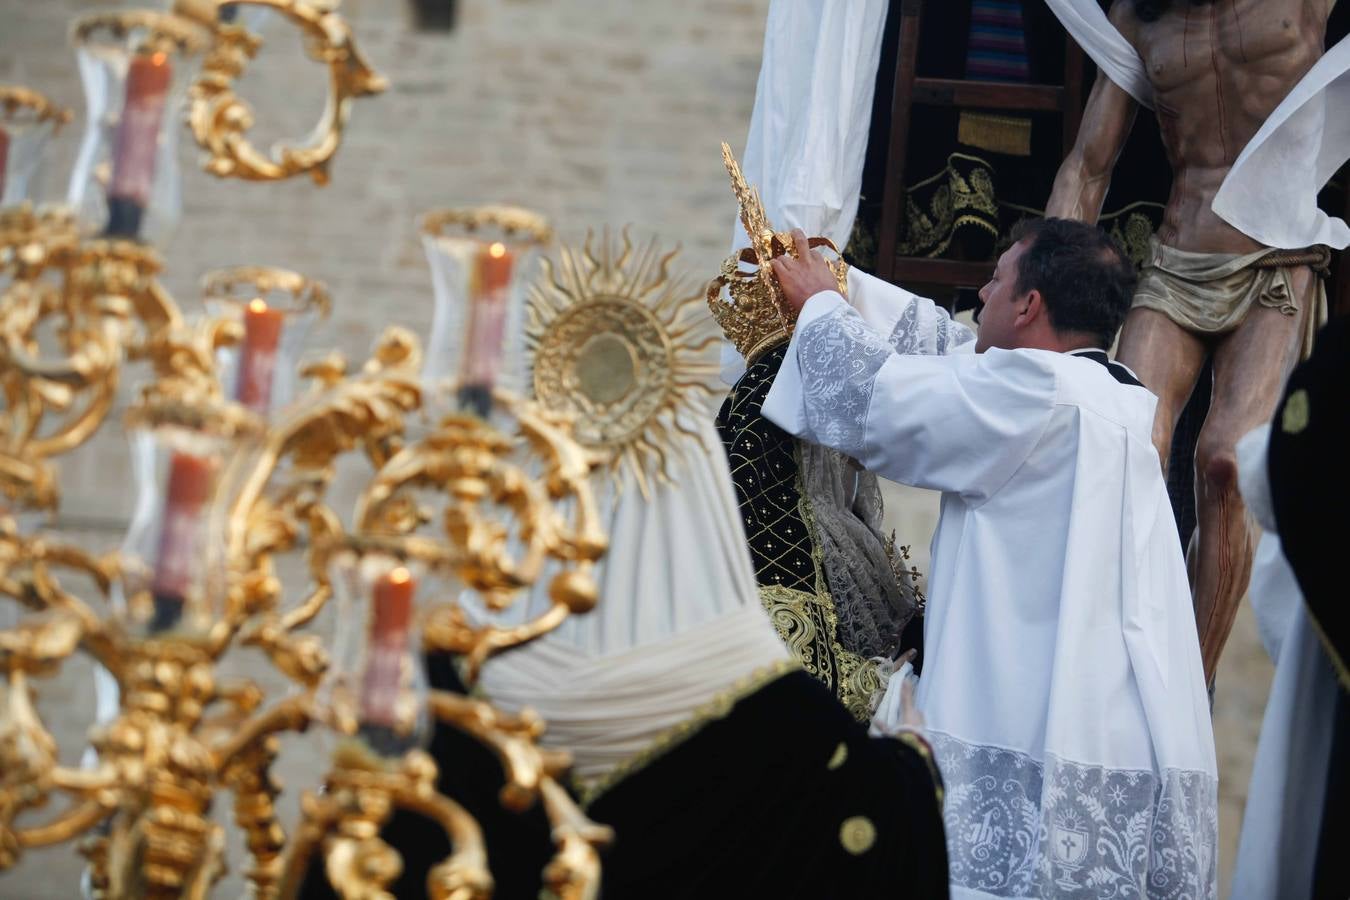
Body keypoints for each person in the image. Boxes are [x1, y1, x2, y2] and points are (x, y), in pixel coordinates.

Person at [764, 219, 1218, 898]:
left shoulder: (1034, 396)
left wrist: (817, 308)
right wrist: (848, 286)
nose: (980, 291)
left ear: (1030, 305)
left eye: (997, 278)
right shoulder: (1109, 394)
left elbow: (882, 402)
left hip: (1023, 728)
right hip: (1121, 735)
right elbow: (952, 355)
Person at [1044, 0, 1336, 685]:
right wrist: (1047, 294)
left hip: (1277, 257)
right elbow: (1088, 166)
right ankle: (1115, 665)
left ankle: (1188, 692)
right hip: (1178, 261)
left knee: (1227, 461)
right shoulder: (1141, 17)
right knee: (1124, 445)